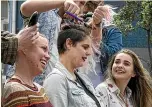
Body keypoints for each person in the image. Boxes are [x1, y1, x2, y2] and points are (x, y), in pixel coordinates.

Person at [14, 0, 86, 85]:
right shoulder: (46, 11)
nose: (76, 5)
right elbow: (25, 8)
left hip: (53, 86)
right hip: (26, 83)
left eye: (81, 3)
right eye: (75, 0)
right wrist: (63, 2)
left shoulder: (74, 26)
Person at [43, 24, 104, 107]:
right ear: (69, 44)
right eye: (85, 47)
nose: (89, 53)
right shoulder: (56, 79)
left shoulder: (83, 78)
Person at [2, 33, 52, 107]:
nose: (48, 56)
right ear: (25, 49)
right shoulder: (15, 89)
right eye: (43, 48)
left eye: (48, 52)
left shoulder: (39, 88)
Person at [81, 2, 123, 87]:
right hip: (77, 79)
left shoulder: (111, 30)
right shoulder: (76, 24)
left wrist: (96, 32)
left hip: (100, 83)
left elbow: (113, 56)